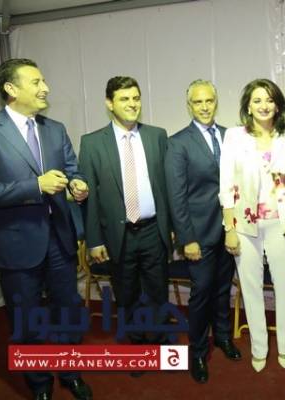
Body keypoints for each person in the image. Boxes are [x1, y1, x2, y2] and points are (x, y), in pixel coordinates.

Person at [0, 58, 92, 400]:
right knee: (26, 320)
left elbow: (72, 169)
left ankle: (71, 373)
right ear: (11, 88)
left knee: (68, 312)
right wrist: (36, 185)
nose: (45, 88)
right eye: (36, 82)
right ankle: (39, 384)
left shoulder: (55, 129)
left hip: (60, 239)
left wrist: (77, 184)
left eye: (44, 81)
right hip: (15, 244)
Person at [78, 77, 172, 357]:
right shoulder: (92, 143)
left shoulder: (157, 136)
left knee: (158, 292)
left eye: (136, 98)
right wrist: (94, 240)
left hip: (153, 231)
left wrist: (171, 227)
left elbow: (167, 186)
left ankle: (159, 343)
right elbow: (90, 198)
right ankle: (139, 348)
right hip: (118, 236)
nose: (132, 104)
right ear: (109, 104)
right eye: (124, 99)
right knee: (126, 295)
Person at [219, 78, 285, 372]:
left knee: (284, 286)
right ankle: (259, 348)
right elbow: (226, 184)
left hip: (281, 223)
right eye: (257, 100)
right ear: (248, 106)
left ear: (277, 106)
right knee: (251, 288)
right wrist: (229, 228)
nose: (264, 105)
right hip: (245, 223)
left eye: (269, 100)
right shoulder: (234, 137)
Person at [165, 79, 241, 384]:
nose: (205, 107)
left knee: (223, 290)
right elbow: (176, 196)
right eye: (198, 102)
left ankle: (222, 337)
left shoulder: (231, 136)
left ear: (216, 102)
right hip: (198, 234)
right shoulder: (178, 143)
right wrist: (187, 239)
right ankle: (197, 352)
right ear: (189, 106)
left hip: (229, 231)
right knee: (201, 294)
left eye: (209, 100)